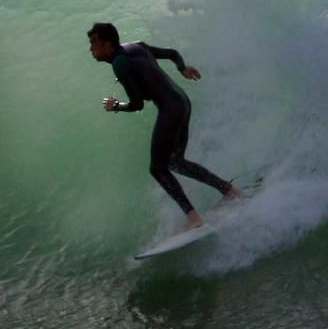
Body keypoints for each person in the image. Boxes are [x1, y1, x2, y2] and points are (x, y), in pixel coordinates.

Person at [87, 22, 241, 232]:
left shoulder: (119, 64)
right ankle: (229, 191)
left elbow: (137, 104)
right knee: (176, 162)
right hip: (182, 101)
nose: (91, 49)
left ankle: (194, 219)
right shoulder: (137, 46)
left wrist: (116, 107)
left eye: (94, 43)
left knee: (158, 169)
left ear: (108, 44)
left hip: (170, 109)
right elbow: (172, 53)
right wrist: (182, 68)